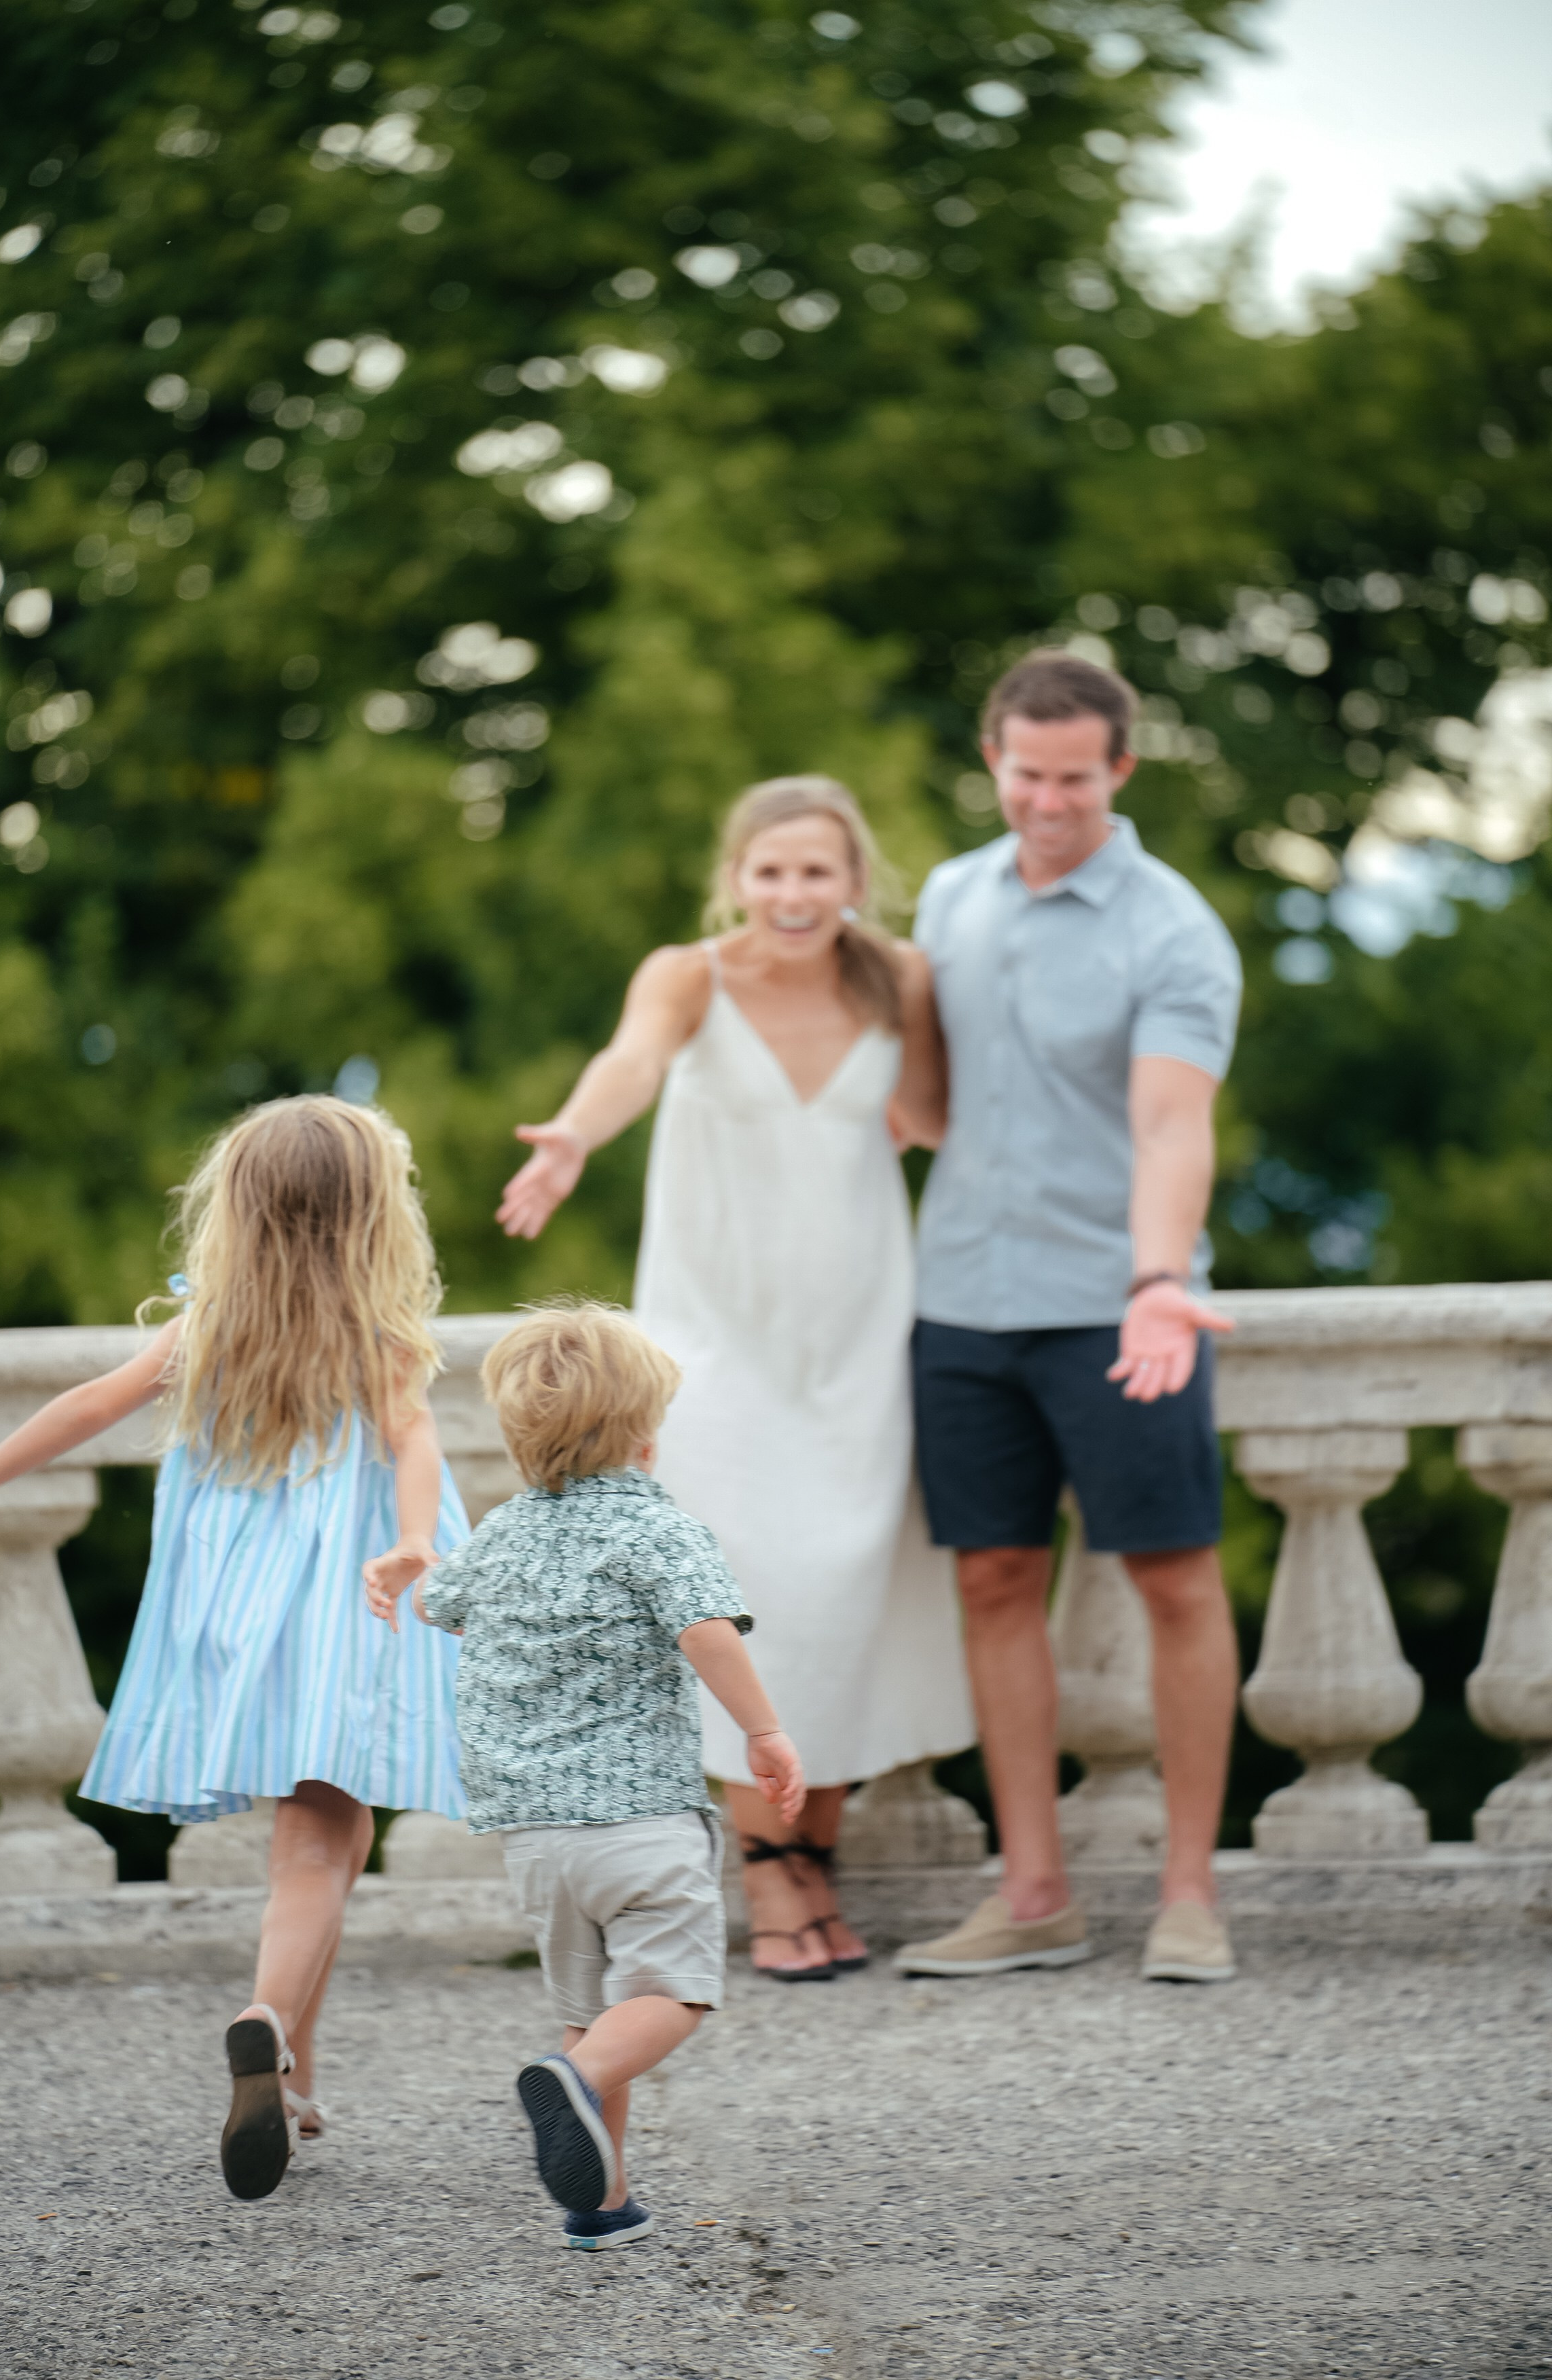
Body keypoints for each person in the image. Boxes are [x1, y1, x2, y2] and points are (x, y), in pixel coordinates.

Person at [496, 778, 973, 1979]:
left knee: (850, 1597)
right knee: (741, 1594)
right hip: (718, 1351)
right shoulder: (689, 973)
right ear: (738, 878)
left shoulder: (902, 977)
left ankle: (815, 1860)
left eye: (817, 872)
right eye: (771, 872)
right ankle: (774, 1886)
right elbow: (632, 1061)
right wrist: (570, 1137)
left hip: (860, 1347)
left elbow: (929, 1119)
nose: (794, 895)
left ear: (855, 880)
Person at [0, 1096, 469, 2198]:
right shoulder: (378, 1333)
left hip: (239, 1621)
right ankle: (266, 2017)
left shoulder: (210, 1327)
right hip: (350, 1607)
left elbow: (86, 1406)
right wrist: (419, 1541)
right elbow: (415, 1438)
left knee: (314, 1842)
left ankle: (290, 2068)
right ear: (375, 1213)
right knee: (325, 1842)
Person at [895, 649, 1244, 1987]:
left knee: (1172, 1580)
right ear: (992, 762)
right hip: (961, 1303)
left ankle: (1189, 1894)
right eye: (1023, 775)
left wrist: (1156, 1281)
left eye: (1072, 779)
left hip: (1118, 1309)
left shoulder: (1171, 929)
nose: (1045, 802)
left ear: (1121, 772)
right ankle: (1033, 1891)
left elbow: (1171, 1128)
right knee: (991, 1580)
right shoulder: (946, 894)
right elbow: (919, 1094)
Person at [367, 1302, 806, 2249]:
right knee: (670, 1995)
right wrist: (764, 1732)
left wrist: (412, 1568)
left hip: (533, 1836)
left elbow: (442, 1599)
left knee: (590, 2014)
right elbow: (705, 1631)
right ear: (647, 1435)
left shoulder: (504, 1534)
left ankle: (599, 2207)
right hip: (640, 1819)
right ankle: (569, 2090)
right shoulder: (660, 1531)